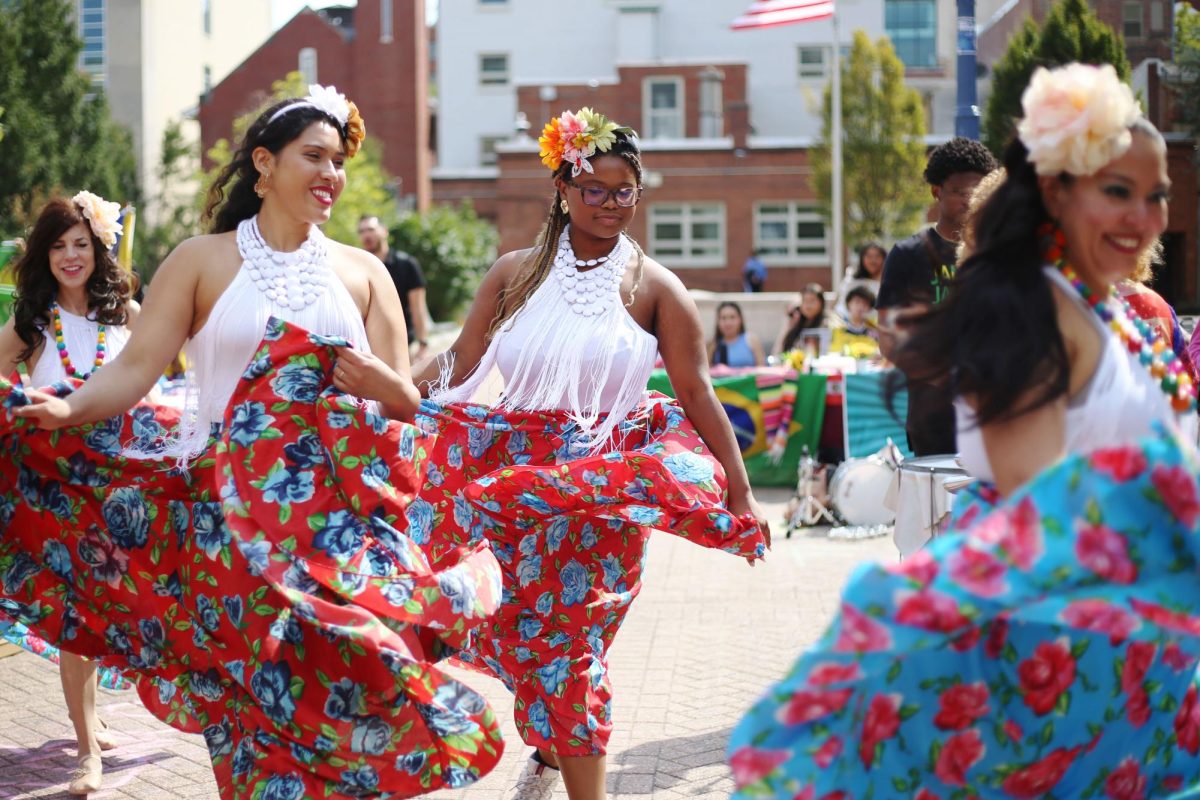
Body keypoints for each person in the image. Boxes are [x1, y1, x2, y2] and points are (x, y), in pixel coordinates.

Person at [1, 85, 504, 799]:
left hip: (340, 533)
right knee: (252, 725)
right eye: (314, 157)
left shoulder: (364, 274)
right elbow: (137, 369)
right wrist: (67, 408)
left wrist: (383, 386)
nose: (331, 174)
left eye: (338, 161)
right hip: (225, 529)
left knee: (350, 705)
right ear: (264, 165)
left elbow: (406, 406)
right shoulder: (200, 260)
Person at [728, 63, 1200, 798]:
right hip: (1068, 625)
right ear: (1056, 194)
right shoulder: (1027, 307)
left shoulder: (1116, 307)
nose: (1142, 214)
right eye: (1117, 191)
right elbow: (1037, 497)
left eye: (1156, 194)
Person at [410, 107, 769, 800]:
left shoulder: (655, 288)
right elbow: (460, 362)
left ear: (640, 194)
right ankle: (549, 748)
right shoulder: (514, 272)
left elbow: (697, 392)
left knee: (572, 651)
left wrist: (742, 489)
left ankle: (576, 774)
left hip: (601, 494)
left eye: (623, 191)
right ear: (565, 189)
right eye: (594, 189)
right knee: (514, 629)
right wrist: (388, 403)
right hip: (509, 486)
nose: (609, 204)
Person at [0, 192, 138, 794]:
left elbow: (168, 370)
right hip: (56, 489)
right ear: (44, 255)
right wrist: (19, 415)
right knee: (77, 615)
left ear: (99, 247)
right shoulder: (31, 321)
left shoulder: (126, 312)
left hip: (122, 484)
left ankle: (91, 715)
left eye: (80, 243)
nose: (70, 255)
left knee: (112, 610)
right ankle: (87, 753)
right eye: (58, 246)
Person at [877, 136, 998, 455]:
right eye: (959, 191)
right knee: (939, 505)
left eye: (978, 189)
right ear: (937, 191)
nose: (969, 199)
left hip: (997, 416)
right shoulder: (908, 255)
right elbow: (888, 338)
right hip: (934, 420)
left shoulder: (1000, 254)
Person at [358, 214, 432, 362]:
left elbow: (418, 308)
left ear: (384, 231)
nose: (366, 235)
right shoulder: (357, 267)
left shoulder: (407, 264)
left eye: (371, 229)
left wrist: (423, 344)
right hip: (366, 349)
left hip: (401, 347)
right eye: (361, 231)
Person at [772, 283, 834, 357]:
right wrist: (788, 326)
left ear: (821, 303)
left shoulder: (828, 324)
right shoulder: (795, 324)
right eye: (805, 301)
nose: (808, 305)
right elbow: (777, 353)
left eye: (812, 301)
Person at [834, 241, 886, 318]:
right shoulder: (851, 281)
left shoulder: (890, 282)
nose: (873, 261)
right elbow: (841, 307)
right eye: (869, 256)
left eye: (877, 256)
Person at [709, 300, 765, 367]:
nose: (728, 323)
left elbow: (762, 368)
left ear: (740, 320)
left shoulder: (751, 340)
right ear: (718, 321)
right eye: (723, 318)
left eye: (732, 317)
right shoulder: (713, 345)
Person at [828, 285, 878, 358]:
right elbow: (835, 352)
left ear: (870, 308)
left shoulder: (876, 328)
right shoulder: (837, 328)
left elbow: (879, 351)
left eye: (865, 304)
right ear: (848, 303)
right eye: (857, 302)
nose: (860, 307)